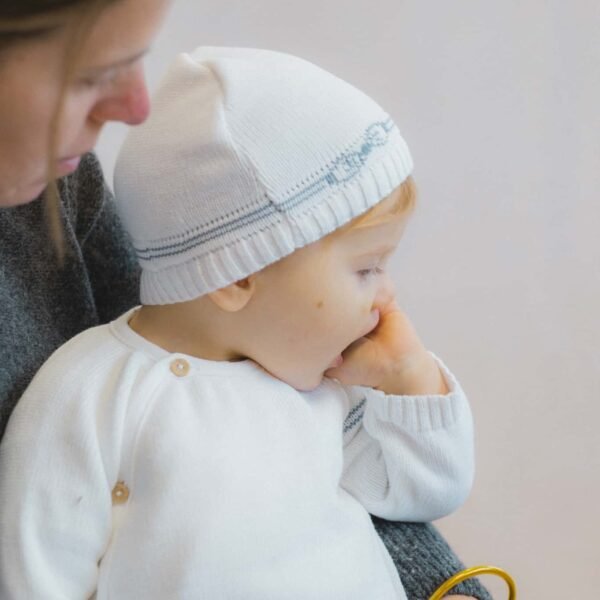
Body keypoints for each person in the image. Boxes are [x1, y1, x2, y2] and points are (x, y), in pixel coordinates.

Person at [0, 4, 490, 599]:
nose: (387, 295)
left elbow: (423, 490)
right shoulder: (90, 396)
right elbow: (34, 571)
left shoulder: (320, 387)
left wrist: (409, 379)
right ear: (236, 276)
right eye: (367, 269)